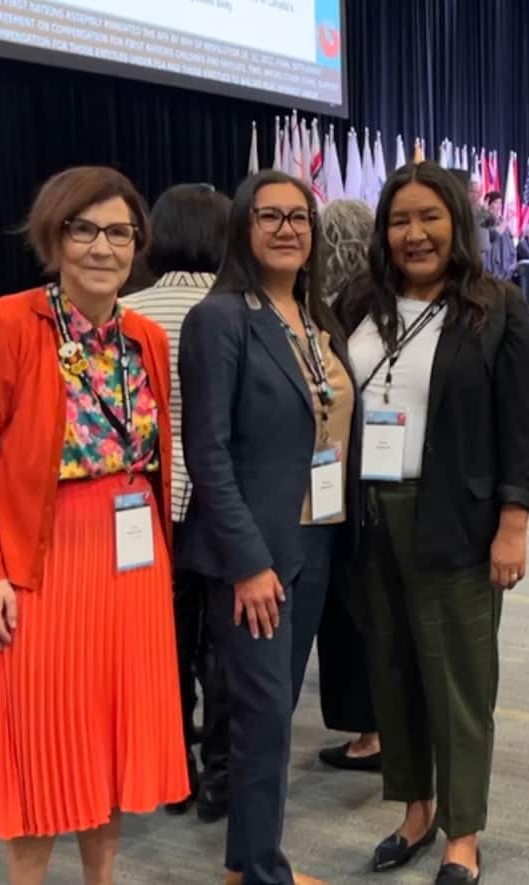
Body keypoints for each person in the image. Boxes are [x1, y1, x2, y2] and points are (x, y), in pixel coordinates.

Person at [0, 165, 189, 884]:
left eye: (119, 231)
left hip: (133, 559)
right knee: (43, 742)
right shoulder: (10, 322)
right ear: (55, 235)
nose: (101, 247)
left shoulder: (144, 335)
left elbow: (153, 456)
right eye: (84, 229)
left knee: (111, 741)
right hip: (46, 558)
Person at [335, 161, 529, 884]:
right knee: (391, 671)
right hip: (367, 514)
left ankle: (464, 833)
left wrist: (512, 522)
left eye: (430, 217)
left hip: (455, 515)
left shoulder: (497, 306)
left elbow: (525, 428)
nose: (414, 233)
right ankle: (415, 809)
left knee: (459, 680)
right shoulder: (359, 300)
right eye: (399, 219)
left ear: (458, 222)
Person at [179, 170, 360, 885]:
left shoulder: (317, 320)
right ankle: (259, 871)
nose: (288, 229)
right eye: (270, 216)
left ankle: (245, 864)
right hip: (252, 553)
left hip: (314, 540)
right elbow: (208, 450)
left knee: (272, 713)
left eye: (299, 217)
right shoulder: (220, 317)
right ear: (242, 229)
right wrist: (248, 561)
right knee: (262, 715)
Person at [121, 182, 233, 822]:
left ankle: (175, 773)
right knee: (222, 646)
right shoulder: (237, 310)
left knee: (165, 645)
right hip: (220, 502)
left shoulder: (128, 314)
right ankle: (220, 777)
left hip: (146, 505)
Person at [315, 197, 382, 773]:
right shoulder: (380, 298)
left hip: (344, 476)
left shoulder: (333, 307)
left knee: (353, 610)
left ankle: (371, 734)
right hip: (376, 475)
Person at [482, 192, 516, 281]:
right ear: (488, 203)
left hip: (504, 268)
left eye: (500, 203)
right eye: (496, 202)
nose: (498, 206)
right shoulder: (484, 219)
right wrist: (505, 222)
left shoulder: (501, 220)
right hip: (490, 266)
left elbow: (510, 240)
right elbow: (493, 234)